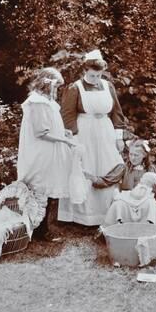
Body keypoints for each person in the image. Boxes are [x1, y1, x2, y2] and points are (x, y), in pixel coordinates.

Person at [57, 49, 127, 227]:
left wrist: (119, 137)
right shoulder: (75, 88)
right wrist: (73, 138)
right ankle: (82, 215)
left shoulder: (108, 86)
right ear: (85, 71)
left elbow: (117, 112)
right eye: (92, 75)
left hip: (105, 130)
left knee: (108, 164)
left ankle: (107, 213)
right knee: (85, 167)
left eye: (98, 75)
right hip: (84, 132)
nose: (96, 78)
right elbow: (67, 115)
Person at [17, 67, 76, 241]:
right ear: (46, 84)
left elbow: (50, 125)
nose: (57, 90)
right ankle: (38, 230)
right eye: (56, 86)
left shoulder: (45, 102)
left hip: (48, 150)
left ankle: (41, 229)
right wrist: (64, 141)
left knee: (47, 187)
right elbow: (41, 132)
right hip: (41, 151)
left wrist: (63, 132)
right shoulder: (37, 102)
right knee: (40, 188)